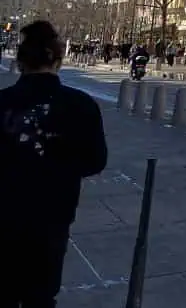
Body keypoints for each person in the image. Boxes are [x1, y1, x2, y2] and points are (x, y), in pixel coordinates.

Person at [0, 21, 107, 306]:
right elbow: (96, 160)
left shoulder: (2, 102)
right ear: (58, 60)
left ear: (20, 62)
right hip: (52, 214)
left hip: (3, 213)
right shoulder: (80, 105)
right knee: (42, 296)